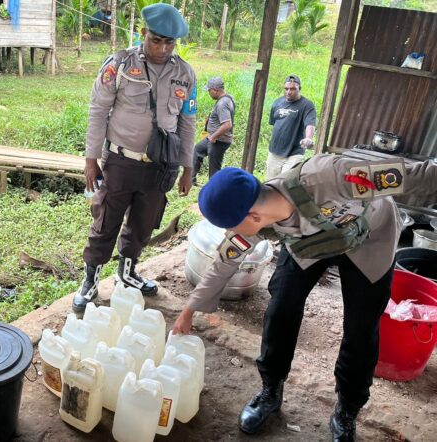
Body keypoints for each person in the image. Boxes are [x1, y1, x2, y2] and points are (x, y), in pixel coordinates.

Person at [172, 154, 437, 441]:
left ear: (253, 216)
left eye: (230, 228)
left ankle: (347, 408)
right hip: (309, 245)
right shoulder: (258, 219)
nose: (230, 234)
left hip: (368, 239)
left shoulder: (331, 178)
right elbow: (224, 261)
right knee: (282, 305)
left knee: (362, 328)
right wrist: (189, 310)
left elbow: (414, 175)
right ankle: (270, 389)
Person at [72, 3, 197, 314]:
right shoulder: (120, 64)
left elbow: (188, 122)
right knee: (106, 222)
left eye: (170, 42)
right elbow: (98, 111)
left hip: (160, 166)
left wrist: (188, 167)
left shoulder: (185, 74)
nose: (163, 48)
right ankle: (91, 281)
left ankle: (127, 274)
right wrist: (91, 159)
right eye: (156, 40)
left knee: (143, 223)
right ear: (144, 34)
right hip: (119, 162)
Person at [266, 75, 316, 178]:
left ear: (299, 89)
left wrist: (308, 138)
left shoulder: (307, 105)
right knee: (270, 184)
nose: (289, 91)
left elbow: (310, 124)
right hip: (274, 152)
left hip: (294, 153)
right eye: (286, 89)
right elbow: (274, 123)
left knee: (284, 182)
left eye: (293, 89)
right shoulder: (277, 102)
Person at [192, 76, 235, 185]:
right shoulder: (226, 99)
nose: (209, 93)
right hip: (213, 138)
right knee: (197, 150)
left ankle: (213, 191)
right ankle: (191, 179)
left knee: (214, 169)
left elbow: (227, 124)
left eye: (209, 90)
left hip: (219, 140)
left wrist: (213, 137)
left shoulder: (222, 103)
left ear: (215, 90)